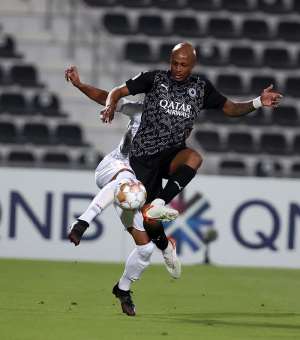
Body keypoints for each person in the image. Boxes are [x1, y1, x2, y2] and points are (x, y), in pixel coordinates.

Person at [101, 42, 283, 251]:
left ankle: (159, 204)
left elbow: (231, 108)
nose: (178, 69)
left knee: (194, 158)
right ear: (170, 61)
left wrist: (258, 101)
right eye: (175, 63)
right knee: (150, 224)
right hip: (143, 156)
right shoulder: (153, 79)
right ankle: (166, 248)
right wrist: (109, 104)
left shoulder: (201, 87)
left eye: (183, 65)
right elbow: (118, 91)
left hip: (172, 154)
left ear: (193, 65)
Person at [64, 66, 181, 317]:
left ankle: (123, 289)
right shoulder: (138, 110)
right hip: (114, 167)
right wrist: (80, 85)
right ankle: (83, 222)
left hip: (134, 190)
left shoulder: (173, 128)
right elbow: (108, 96)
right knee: (127, 178)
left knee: (146, 250)